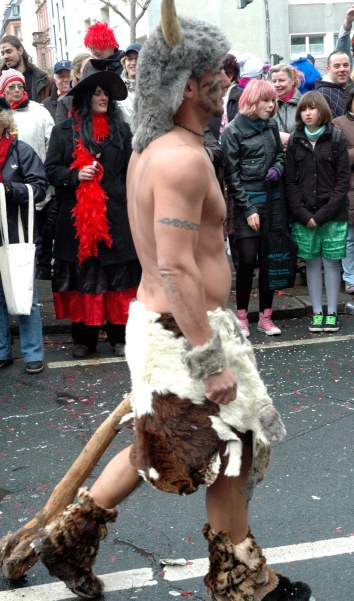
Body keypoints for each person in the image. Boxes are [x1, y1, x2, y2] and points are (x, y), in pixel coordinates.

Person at [36, 3, 313, 601]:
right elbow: (175, 265)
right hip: (183, 333)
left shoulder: (153, 146)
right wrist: (209, 361)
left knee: (153, 444)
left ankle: (68, 540)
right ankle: (243, 583)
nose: (226, 79)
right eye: (215, 73)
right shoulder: (181, 159)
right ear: (187, 84)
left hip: (165, 325)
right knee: (234, 446)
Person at [44, 62, 141, 359]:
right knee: (82, 278)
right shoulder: (64, 132)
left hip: (115, 217)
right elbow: (50, 170)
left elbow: (132, 171)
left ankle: (118, 336)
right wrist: (75, 176)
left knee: (117, 279)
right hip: (77, 221)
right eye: (98, 93)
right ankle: (83, 339)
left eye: (107, 94)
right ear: (86, 97)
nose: (104, 98)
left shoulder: (122, 131)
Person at [221, 79, 285, 337]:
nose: (271, 106)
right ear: (251, 101)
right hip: (246, 203)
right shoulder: (233, 131)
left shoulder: (271, 125)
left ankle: (266, 317)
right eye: (265, 101)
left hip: (273, 201)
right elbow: (231, 175)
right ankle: (242, 316)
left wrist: (278, 168)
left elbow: (280, 154)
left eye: (273, 101)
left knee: (270, 260)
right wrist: (248, 210)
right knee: (247, 261)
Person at [286, 91, 350, 332]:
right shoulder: (295, 140)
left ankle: (332, 312)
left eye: (312, 108)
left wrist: (322, 215)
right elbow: (290, 182)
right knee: (311, 263)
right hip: (304, 215)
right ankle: (316, 312)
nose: (308, 113)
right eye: (304, 109)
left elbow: (342, 182)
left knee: (332, 263)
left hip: (332, 214)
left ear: (322, 111)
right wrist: (304, 214)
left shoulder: (335, 138)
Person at [0, 97, 48, 374]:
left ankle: (33, 353)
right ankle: (2, 350)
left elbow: (39, 188)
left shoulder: (21, 151)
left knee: (24, 295)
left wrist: (10, 191)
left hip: (18, 235)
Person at [0, 68, 55, 280]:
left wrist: (45, 174)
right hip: (11, 197)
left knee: (34, 239)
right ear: (3, 91)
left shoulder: (39, 112)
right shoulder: (3, 112)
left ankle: (36, 277)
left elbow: (51, 144)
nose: (16, 90)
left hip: (35, 184)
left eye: (20, 86)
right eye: (10, 87)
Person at [331, 91, 354, 295]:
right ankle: (349, 278)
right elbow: (337, 154)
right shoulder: (338, 123)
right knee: (349, 236)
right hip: (348, 186)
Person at [0, 35, 52, 103]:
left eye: (9, 52)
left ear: (20, 50)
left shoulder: (45, 81)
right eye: (3, 53)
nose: (5, 56)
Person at [270, 63, 303, 149]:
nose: (277, 84)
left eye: (281, 80)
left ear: (292, 81)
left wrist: (292, 140)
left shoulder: (304, 104)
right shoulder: (267, 105)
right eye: (274, 81)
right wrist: (277, 136)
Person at [55, 53, 93, 124]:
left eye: (94, 67)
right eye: (88, 68)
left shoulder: (105, 94)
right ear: (77, 73)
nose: (66, 80)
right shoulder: (65, 102)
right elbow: (62, 131)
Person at [316, 50, 353, 118]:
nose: (342, 69)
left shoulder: (352, 88)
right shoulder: (322, 94)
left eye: (345, 65)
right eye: (337, 66)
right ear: (328, 69)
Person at [119, 42, 142, 124]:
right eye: (129, 59)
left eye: (138, 58)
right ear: (124, 62)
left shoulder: (154, 87)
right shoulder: (116, 87)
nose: (133, 63)